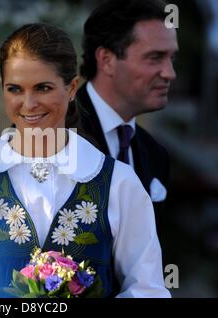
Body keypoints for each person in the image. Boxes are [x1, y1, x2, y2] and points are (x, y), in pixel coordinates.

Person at [0, 23, 170, 297]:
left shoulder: (119, 183)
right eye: (15, 89)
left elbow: (147, 289)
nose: (28, 103)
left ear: (72, 88)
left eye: (43, 88)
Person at [73, 0, 179, 237]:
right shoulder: (49, 137)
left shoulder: (155, 154)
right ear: (107, 60)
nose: (170, 73)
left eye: (172, 58)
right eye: (155, 58)